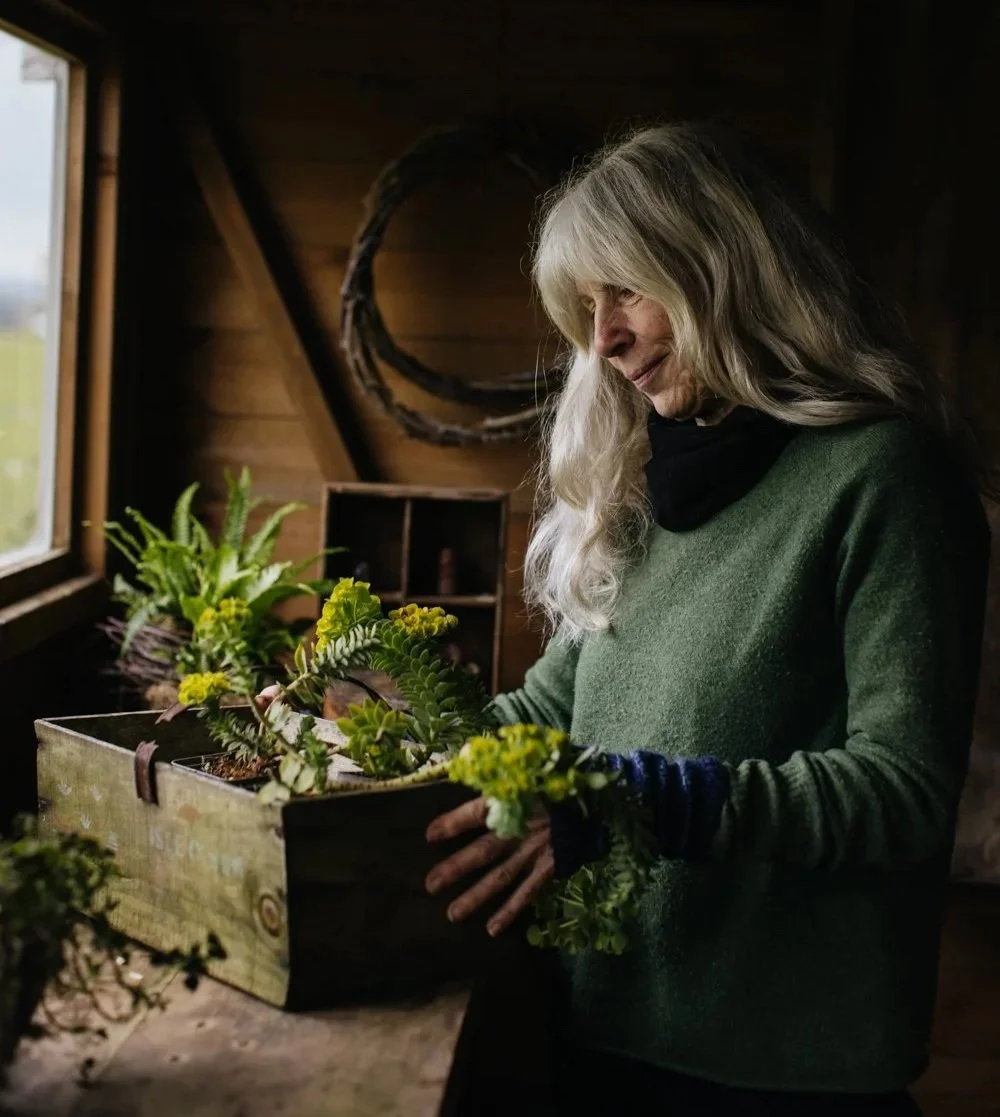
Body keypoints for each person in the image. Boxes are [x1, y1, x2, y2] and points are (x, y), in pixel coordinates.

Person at [419, 121, 991, 1116]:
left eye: (627, 289)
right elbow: (542, 718)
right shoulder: (638, 491)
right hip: (598, 1025)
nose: (604, 339)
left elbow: (901, 790)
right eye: (586, 308)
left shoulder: (883, 478)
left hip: (782, 1077)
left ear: (724, 266)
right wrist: (373, 727)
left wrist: (630, 803)